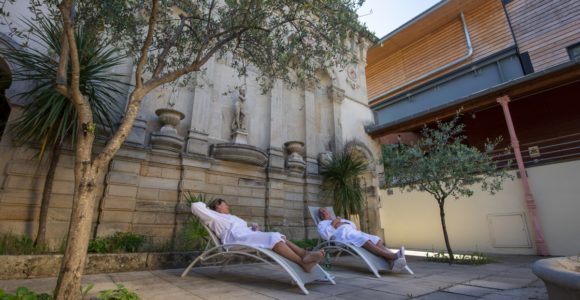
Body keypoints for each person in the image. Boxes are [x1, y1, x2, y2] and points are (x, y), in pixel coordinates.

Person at [191, 199, 324, 272]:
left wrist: (252, 228)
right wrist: (208, 208)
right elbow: (195, 206)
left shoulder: (231, 216)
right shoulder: (214, 217)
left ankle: (305, 254)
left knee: (278, 235)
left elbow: (243, 226)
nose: (227, 207)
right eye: (224, 205)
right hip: (236, 239)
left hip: (246, 235)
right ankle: (302, 262)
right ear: (218, 207)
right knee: (272, 237)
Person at [317, 207, 408, 273]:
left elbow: (352, 224)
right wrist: (334, 223)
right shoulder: (322, 224)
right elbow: (326, 236)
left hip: (353, 232)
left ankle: (391, 262)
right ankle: (393, 256)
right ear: (320, 216)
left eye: (325, 210)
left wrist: (339, 221)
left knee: (376, 240)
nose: (324, 212)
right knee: (365, 241)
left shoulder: (338, 219)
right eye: (321, 212)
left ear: (329, 212)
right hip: (343, 236)